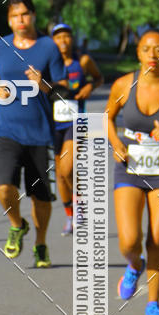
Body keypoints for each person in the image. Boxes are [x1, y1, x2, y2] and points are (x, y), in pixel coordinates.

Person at [0, 0, 67, 267]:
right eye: (14, 15)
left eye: (24, 14)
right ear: (9, 19)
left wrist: (45, 84)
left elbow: (62, 89)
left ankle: (41, 243)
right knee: (5, 187)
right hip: (6, 130)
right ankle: (17, 224)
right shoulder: (0, 46)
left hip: (40, 132)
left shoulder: (48, 47)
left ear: (33, 15)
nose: (20, 20)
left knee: (40, 195)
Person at [106, 28, 159, 315]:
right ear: (137, 53)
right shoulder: (124, 85)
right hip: (130, 169)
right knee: (129, 240)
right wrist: (116, 145)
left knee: (157, 240)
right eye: (147, 48)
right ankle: (133, 264)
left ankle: (153, 303)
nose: (153, 54)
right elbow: (107, 117)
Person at [51, 23, 103, 235]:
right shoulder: (49, 63)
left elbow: (99, 78)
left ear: (72, 39)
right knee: (60, 174)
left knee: (68, 168)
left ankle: (80, 206)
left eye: (66, 36)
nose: (62, 41)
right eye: (58, 37)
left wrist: (90, 86)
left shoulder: (83, 61)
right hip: (54, 122)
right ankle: (71, 216)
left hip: (76, 121)